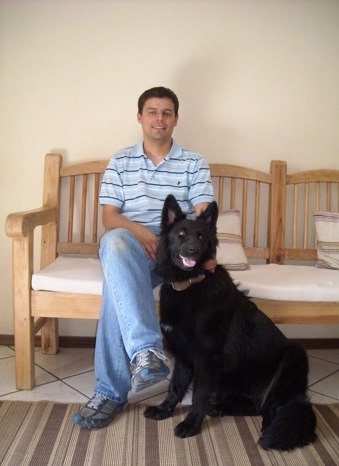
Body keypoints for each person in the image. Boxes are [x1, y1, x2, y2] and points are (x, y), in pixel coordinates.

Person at [73, 86, 215, 429]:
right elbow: (110, 218)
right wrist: (141, 232)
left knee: (115, 290)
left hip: (177, 257)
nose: (159, 119)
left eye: (167, 113)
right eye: (152, 112)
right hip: (132, 248)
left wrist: (205, 249)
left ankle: (110, 392)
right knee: (116, 241)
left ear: (176, 119)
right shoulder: (120, 161)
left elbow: (202, 212)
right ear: (140, 117)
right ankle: (146, 351)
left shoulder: (194, 162)